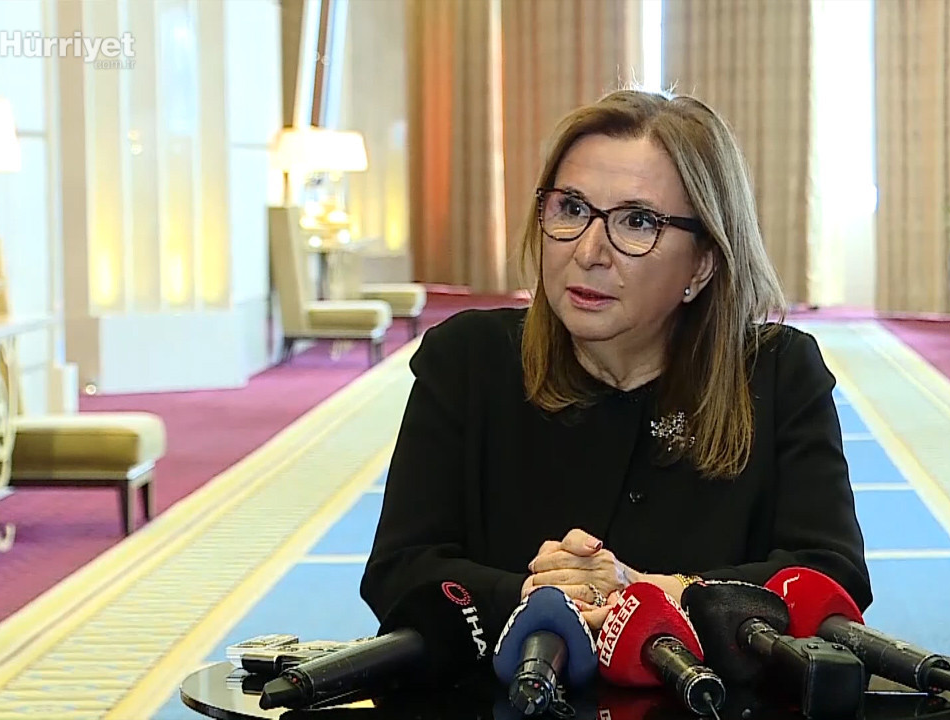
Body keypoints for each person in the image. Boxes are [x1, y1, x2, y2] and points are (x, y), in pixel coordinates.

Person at [360, 89, 871, 638]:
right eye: (572, 209)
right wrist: (533, 599)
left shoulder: (777, 373)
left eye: (637, 221)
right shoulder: (467, 359)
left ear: (702, 262)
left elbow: (830, 576)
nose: (588, 252)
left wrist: (655, 594)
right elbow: (399, 572)